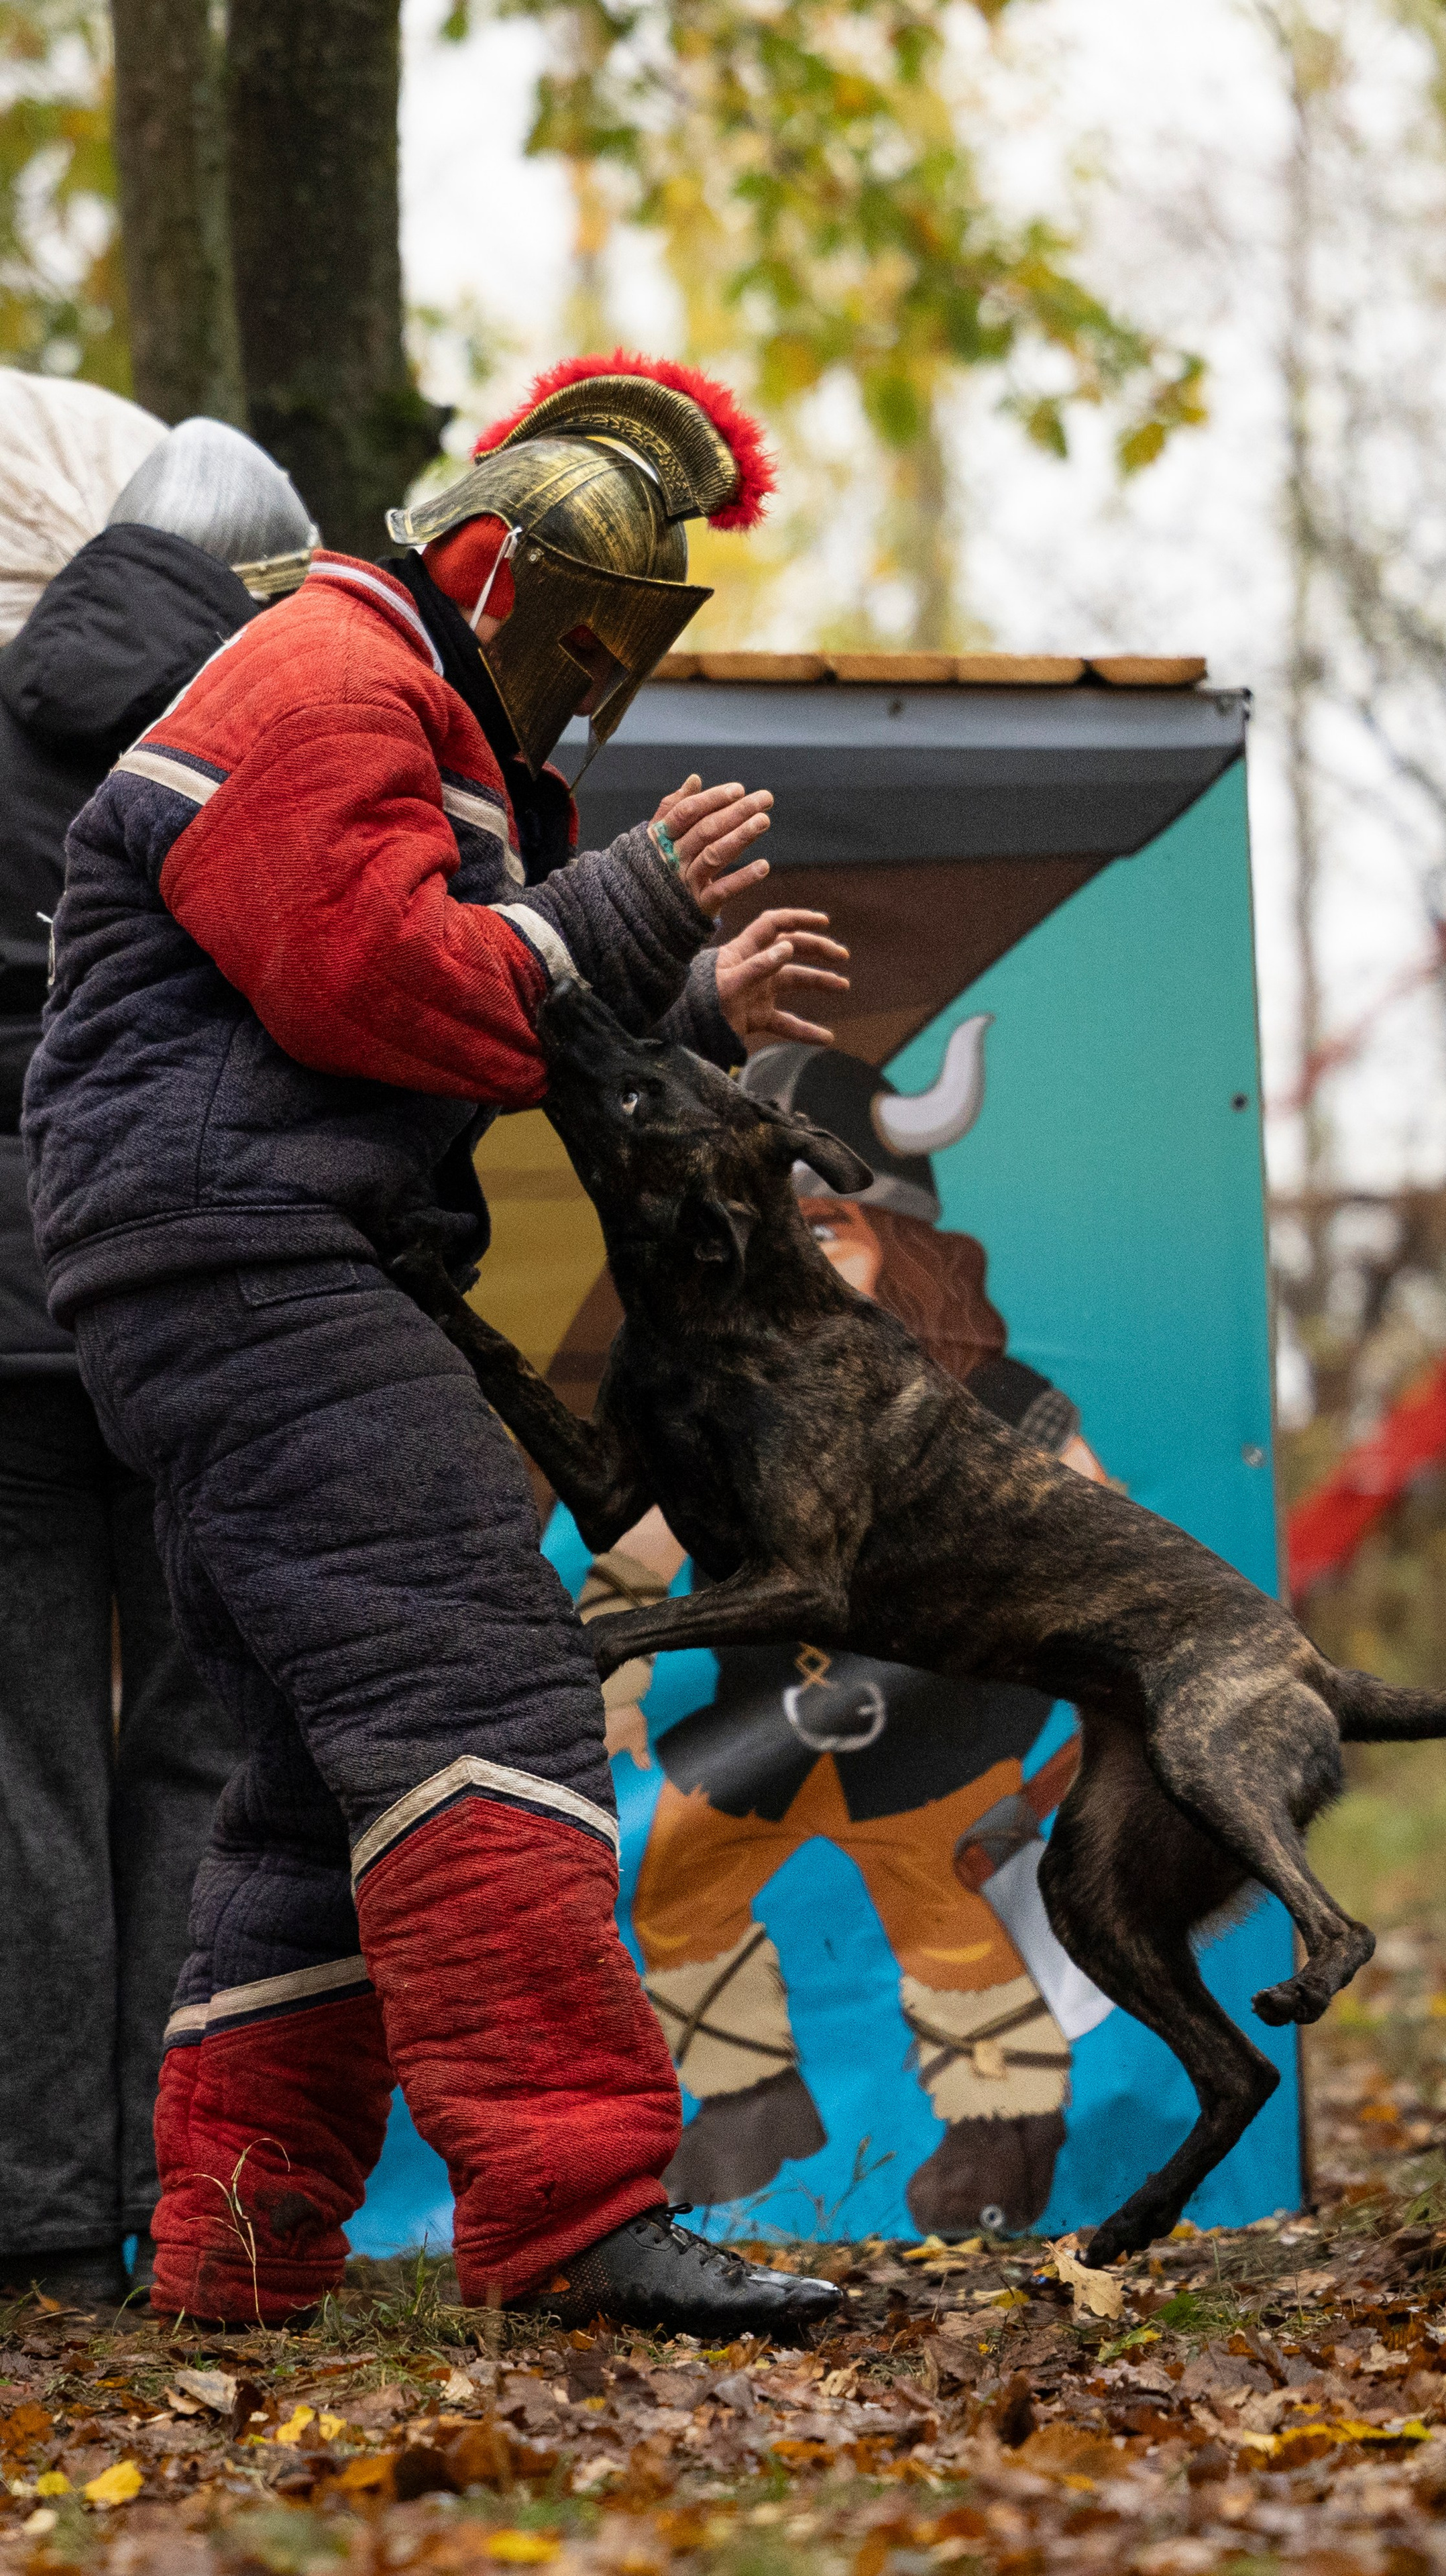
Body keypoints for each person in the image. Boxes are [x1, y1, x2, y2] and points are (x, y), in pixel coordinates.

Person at [23, 354, 850, 2339]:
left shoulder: (396, 690)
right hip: (247, 1260)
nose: (592, 675)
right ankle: (576, 2219)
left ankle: (237, 2257)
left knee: (318, 1789)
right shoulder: (325, 674)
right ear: (492, 567)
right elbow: (371, 981)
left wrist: (688, 986)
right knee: (479, 1679)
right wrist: (636, 902)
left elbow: (501, 1000)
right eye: (580, 628)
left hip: (222, 1260)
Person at [579, 1026, 1114, 2237]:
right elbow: (639, 1556)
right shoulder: (716, 1401)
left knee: (959, 1944)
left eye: (825, 1234)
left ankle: (997, 2140)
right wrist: (612, 1681)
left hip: (936, 1757)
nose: (792, 1265)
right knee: (673, 1901)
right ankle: (750, 2105)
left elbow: (1108, 1551)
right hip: (746, 1739)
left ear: (903, 1245)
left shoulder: (997, 1404)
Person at [0, 414, 320, 2309]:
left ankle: (33, 2220)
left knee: (16, 1760)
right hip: (190, 1295)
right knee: (207, 1753)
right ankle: (165, 2212)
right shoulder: (254, 741)